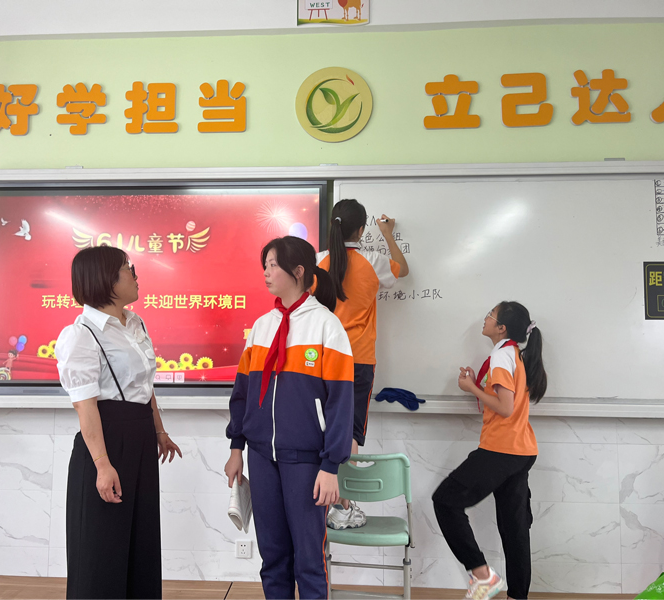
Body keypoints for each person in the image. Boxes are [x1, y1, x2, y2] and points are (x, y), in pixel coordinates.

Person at [224, 235, 354, 600]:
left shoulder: (327, 326)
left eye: (272, 266)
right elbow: (243, 392)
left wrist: (331, 466)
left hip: (308, 463)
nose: (266, 273)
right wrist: (236, 447)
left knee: (309, 561)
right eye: (264, 266)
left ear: (298, 271)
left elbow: (341, 403)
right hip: (261, 458)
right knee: (273, 558)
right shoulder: (261, 327)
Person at [56, 246, 182, 600]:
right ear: (106, 279)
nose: (135, 274)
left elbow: (144, 386)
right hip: (106, 440)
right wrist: (102, 464)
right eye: (129, 268)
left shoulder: (135, 323)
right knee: (102, 547)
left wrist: (159, 431)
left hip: (141, 437)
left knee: (141, 540)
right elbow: (85, 406)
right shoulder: (81, 334)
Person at [432, 301, 547, 600]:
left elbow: (505, 408)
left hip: (501, 449)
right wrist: (477, 384)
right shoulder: (513, 354)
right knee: (514, 528)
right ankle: (517, 596)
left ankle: (483, 576)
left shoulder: (501, 356)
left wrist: (471, 388)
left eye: (490, 315)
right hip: (521, 449)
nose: (485, 319)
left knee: (445, 501)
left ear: (501, 328)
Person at [316, 199, 409, 530]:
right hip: (358, 358)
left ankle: (328, 501)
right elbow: (403, 269)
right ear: (360, 229)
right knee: (351, 429)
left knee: (322, 426)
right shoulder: (374, 261)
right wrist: (388, 234)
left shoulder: (317, 262)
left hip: (322, 358)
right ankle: (344, 503)